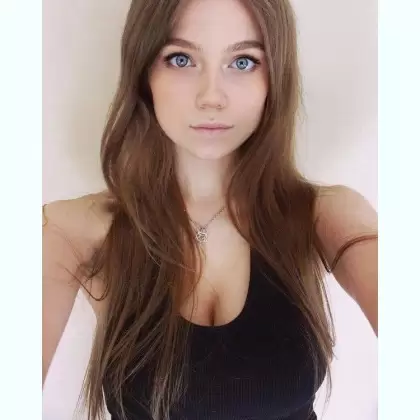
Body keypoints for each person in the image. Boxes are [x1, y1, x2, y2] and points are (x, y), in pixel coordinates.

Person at [42, 0, 378, 419]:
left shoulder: (324, 216)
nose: (212, 97)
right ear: (144, 72)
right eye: (181, 59)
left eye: (243, 61)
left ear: (274, 76)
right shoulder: (72, 232)